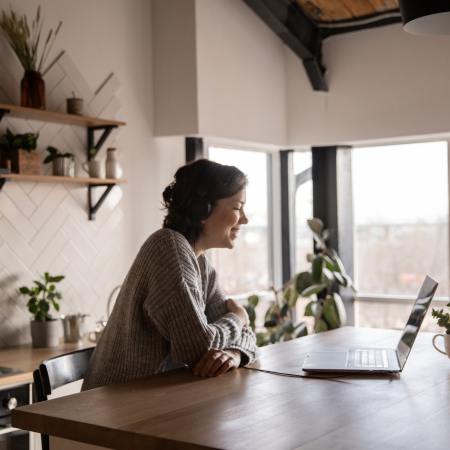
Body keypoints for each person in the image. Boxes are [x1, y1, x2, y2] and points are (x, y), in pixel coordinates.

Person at [82, 159, 258, 390]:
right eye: (237, 208)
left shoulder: (202, 264)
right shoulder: (168, 248)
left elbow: (246, 337)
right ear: (202, 210)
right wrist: (239, 317)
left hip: (149, 401)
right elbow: (197, 348)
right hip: (109, 409)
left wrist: (234, 353)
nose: (244, 219)